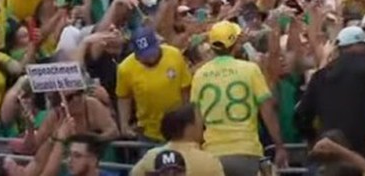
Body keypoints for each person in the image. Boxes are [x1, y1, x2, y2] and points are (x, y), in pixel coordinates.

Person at [191, 20, 288, 173]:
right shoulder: (250, 70)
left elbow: (197, 119)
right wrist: (279, 146)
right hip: (247, 151)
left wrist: (196, 151)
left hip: (213, 153)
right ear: (235, 44)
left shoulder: (199, 75)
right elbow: (267, 111)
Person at [295, 25, 365, 158]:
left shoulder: (321, 75)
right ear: (359, 45)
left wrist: (313, 138)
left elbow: (302, 115)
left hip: (331, 151)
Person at [116, 27, 192, 142]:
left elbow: (185, 89)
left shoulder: (174, 55)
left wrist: (188, 119)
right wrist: (124, 124)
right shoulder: (125, 68)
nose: (149, 58)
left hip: (178, 127)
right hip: (148, 130)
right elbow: (123, 97)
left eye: (152, 52)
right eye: (144, 55)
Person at [130, 104, 224, 176]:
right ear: (189, 128)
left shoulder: (150, 158)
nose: (203, 126)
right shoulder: (208, 161)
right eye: (200, 122)